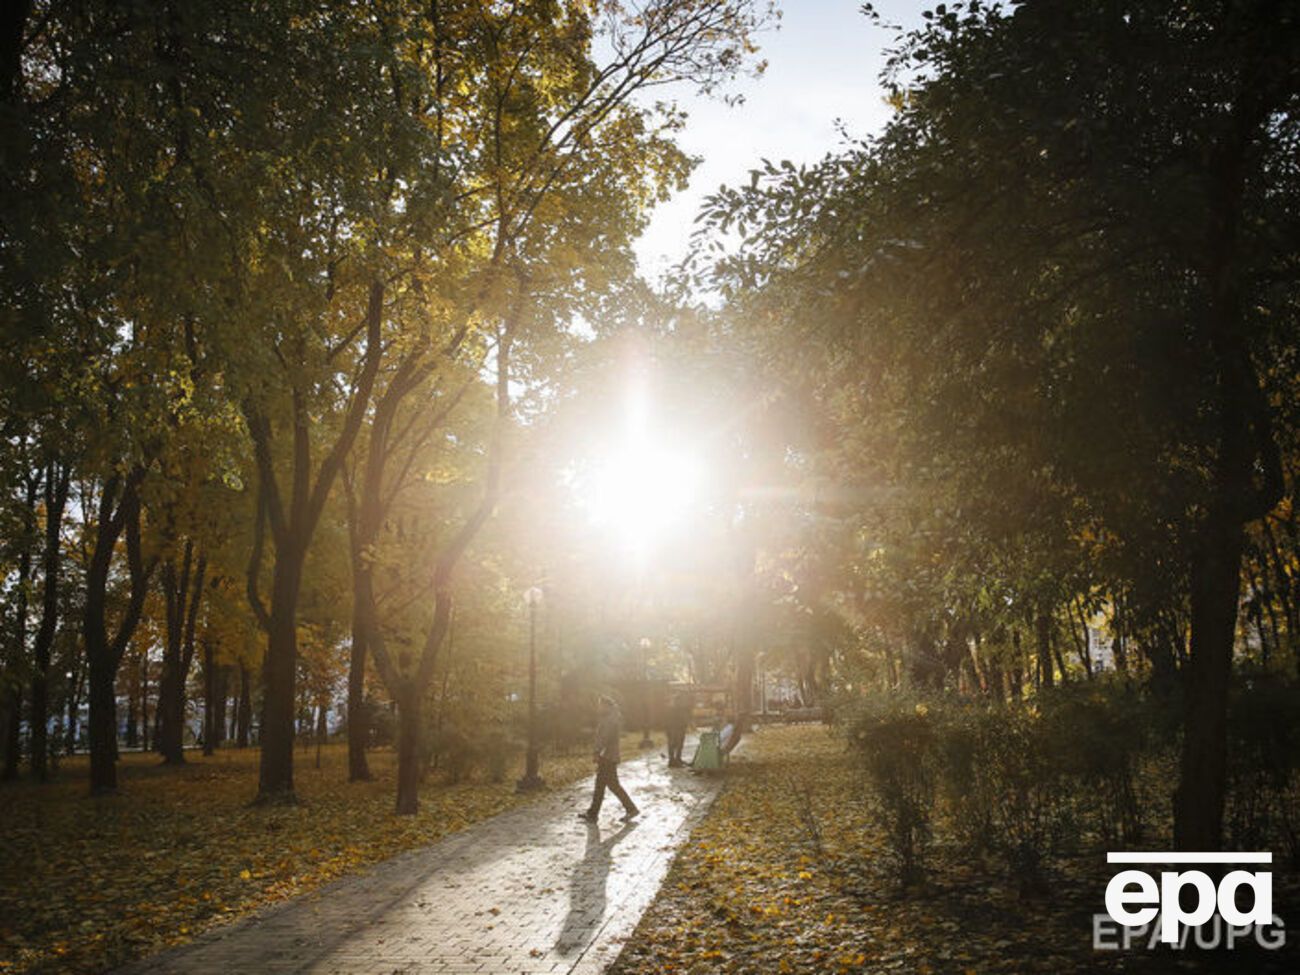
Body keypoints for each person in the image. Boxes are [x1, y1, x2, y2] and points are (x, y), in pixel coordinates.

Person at [579, 694, 639, 822]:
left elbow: (604, 739)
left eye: (600, 705)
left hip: (607, 756)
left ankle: (630, 809)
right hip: (608, 756)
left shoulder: (609, 720)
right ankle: (593, 813)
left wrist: (597, 752)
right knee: (604, 785)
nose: (598, 708)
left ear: (606, 706)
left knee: (610, 785)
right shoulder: (610, 718)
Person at [665, 692, 690, 768]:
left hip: (680, 728)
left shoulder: (682, 708)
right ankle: (672, 760)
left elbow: (684, 718)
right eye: (681, 700)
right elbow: (668, 720)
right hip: (674, 729)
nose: (682, 702)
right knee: (674, 744)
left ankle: (678, 759)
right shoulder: (672, 709)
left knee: (679, 745)